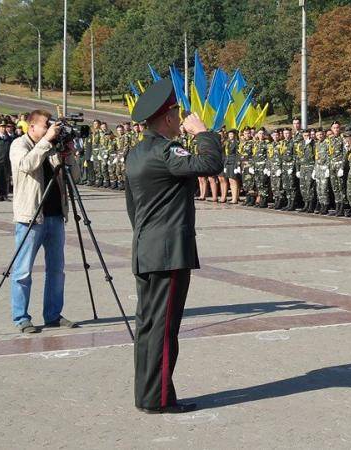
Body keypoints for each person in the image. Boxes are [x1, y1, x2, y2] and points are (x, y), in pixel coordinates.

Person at [125, 79, 223, 414]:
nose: (181, 121)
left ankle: (147, 395)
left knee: (148, 326)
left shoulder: (136, 153)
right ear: (167, 118)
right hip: (168, 254)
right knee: (164, 329)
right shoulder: (166, 151)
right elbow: (210, 165)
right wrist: (203, 133)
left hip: (146, 248)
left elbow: (132, 207)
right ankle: (160, 399)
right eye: (178, 116)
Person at [9, 109, 80, 333]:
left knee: (57, 270)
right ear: (32, 127)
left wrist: (69, 155)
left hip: (55, 216)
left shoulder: (52, 147)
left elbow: (75, 177)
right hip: (30, 218)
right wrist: (46, 141)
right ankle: (21, 317)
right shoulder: (19, 145)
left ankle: (53, 315)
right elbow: (27, 165)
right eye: (46, 125)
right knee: (23, 271)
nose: (51, 128)